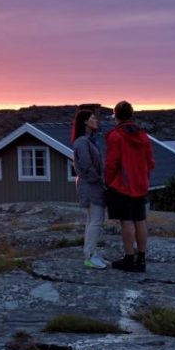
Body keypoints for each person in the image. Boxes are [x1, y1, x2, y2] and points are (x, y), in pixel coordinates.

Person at [104, 100, 154, 272]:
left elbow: (112, 163)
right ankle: (141, 259)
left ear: (116, 115)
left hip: (123, 185)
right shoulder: (143, 135)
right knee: (140, 220)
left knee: (126, 222)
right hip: (140, 184)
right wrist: (145, 178)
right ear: (131, 115)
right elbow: (150, 161)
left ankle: (129, 258)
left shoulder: (115, 136)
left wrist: (108, 181)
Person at [71, 108, 107, 268]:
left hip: (92, 184)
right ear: (85, 122)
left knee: (91, 220)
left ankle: (91, 252)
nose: (96, 121)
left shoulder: (88, 141)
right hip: (91, 186)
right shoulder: (82, 142)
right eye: (93, 118)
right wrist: (100, 181)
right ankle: (90, 256)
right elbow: (86, 166)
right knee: (96, 221)